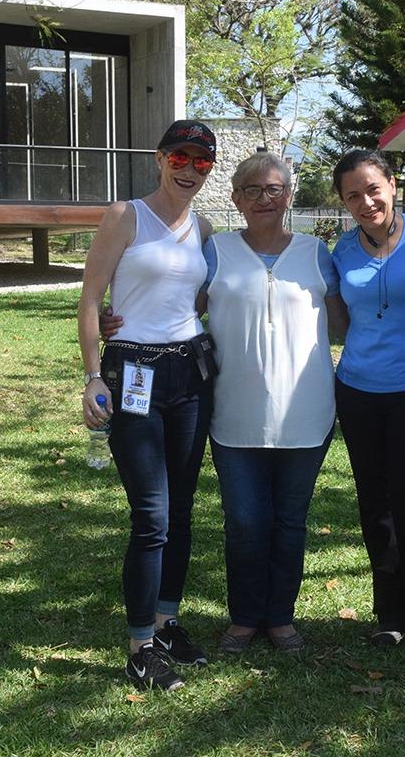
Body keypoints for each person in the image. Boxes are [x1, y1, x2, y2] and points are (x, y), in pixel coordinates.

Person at [78, 119, 219, 692]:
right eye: (181, 158)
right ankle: (139, 647)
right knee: (153, 515)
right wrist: (92, 376)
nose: (190, 170)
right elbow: (90, 299)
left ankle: (166, 624)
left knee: (181, 510)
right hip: (133, 371)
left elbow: (200, 296)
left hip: (191, 371)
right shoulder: (125, 215)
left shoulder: (204, 225)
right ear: (161, 159)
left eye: (202, 163)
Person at [205, 152, 346, 655]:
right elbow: (177, 307)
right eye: (252, 190)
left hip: (306, 412)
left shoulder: (316, 252)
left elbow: (344, 323)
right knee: (244, 521)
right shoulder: (215, 251)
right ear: (236, 199)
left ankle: (280, 618)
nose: (265, 199)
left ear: (289, 195)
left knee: (289, 521)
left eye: (274, 190)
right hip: (233, 412)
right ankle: (244, 618)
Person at [331, 150, 405, 647]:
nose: (366, 201)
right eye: (353, 195)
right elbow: (336, 320)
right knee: (373, 504)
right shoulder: (340, 250)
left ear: (392, 185)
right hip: (358, 390)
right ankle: (389, 612)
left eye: (373, 189)